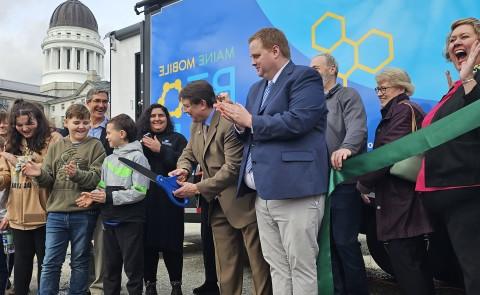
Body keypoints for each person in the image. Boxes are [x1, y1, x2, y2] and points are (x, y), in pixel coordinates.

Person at [215, 28, 328, 295]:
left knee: (300, 267)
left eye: (256, 55)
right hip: (264, 193)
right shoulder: (256, 89)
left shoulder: (304, 77)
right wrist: (238, 123)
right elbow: (251, 133)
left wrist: (250, 121)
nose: (252, 62)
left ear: (275, 50)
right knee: (276, 267)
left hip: (296, 190)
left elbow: (299, 121)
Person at [170, 80, 271, 295]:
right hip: (216, 206)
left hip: (242, 203)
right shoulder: (195, 124)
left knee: (258, 264)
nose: (184, 111)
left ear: (203, 104)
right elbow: (189, 152)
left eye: (187, 106)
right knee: (226, 265)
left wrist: (197, 188)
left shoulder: (227, 123)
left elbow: (232, 169)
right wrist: (183, 169)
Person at [415, 17, 480, 295]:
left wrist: (468, 82)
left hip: (468, 190)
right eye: (452, 40)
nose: (456, 43)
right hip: (443, 193)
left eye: (464, 37)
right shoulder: (458, 86)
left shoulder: (472, 82)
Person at [356, 68, 435, 295]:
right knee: (413, 263)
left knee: (408, 264)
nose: (379, 93)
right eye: (377, 88)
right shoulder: (402, 109)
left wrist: (363, 184)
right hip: (401, 199)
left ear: (401, 87)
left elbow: (388, 153)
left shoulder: (403, 110)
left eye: (384, 87)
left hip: (402, 201)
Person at [22, 104, 105, 295]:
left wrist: (77, 174)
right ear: (66, 123)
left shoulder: (96, 146)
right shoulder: (56, 146)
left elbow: (97, 179)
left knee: (80, 260)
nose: (81, 126)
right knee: (51, 261)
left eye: (85, 122)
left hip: (83, 213)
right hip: (56, 214)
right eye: (76, 122)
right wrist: (38, 173)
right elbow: (48, 179)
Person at [310, 53, 369, 295]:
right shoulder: (309, 102)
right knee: (327, 245)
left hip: (342, 181)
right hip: (315, 184)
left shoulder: (347, 95)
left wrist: (347, 147)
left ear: (332, 69)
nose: (311, 71)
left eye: (316, 67)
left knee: (344, 242)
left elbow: (358, 126)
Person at [77, 114, 150, 295]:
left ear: (122, 134)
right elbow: (102, 187)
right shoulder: (109, 159)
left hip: (130, 221)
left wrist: (109, 198)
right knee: (111, 267)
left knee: (133, 269)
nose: (106, 136)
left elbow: (140, 191)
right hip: (110, 220)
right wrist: (93, 196)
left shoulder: (138, 158)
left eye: (109, 133)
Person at [0, 100, 62, 295]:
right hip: (18, 214)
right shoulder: (12, 142)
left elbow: (53, 171)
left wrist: (20, 159)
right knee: (21, 262)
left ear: (39, 121)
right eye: (19, 125)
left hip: (45, 213)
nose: (24, 129)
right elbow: (6, 176)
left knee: (46, 263)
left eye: (29, 123)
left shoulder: (53, 139)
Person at [135, 104, 187, 295]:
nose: (157, 119)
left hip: (171, 201)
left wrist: (161, 150)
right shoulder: (140, 141)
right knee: (147, 246)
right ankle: (150, 284)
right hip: (146, 201)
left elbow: (183, 165)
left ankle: (176, 285)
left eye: (161, 115)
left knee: (173, 245)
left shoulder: (178, 139)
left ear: (167, 118)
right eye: (153, 116)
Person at [84, 87, 111, 295]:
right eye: (97, 101)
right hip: (79, 196)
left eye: (104, 101)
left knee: (102, 246)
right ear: (88, 103)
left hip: (103, 196)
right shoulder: (76, 129)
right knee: (82, 245)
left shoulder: (112, 129)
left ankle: (100, 287)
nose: (101, 105)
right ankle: (86, 282)